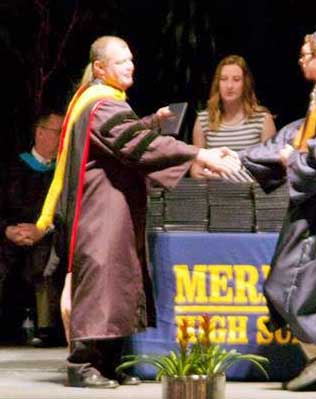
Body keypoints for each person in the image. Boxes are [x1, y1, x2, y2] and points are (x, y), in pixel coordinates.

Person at [31, 35, 240, 389]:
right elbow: (134, 144)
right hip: (101, 208)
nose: (130, 66)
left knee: (118, 280)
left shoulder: (102, 102)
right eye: (120, 61)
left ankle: (109, 363)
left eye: (131, 59)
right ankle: (82, 365)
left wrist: (149, 123)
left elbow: (124, 137)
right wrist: (197, 154)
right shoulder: (101, 104)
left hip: (114, 204)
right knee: (100, 281)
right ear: (99, 67)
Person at [239, 12, 316, 391]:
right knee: (306, 288)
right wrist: (245, 157)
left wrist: (293, 160)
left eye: (305, 54)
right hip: (314, 210)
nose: (300, 60)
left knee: (285, 285)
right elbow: (292, 138)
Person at [0, 112, 65, 347]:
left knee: (49, 253)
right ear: (40, 132)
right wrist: (7, 230)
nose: (62, 139)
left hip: (46, 236)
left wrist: (41, 231)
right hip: (8, 237)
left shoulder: (63, 173)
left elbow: (64, 211)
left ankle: (48, 328)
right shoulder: (11, 167)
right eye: (58, 132)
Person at [191, 54, 276, 179]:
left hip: (250, 194)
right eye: (224, 79)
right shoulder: (203, 120)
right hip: (215, 192)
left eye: (236, 79)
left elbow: (272, 168)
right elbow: (196, 169)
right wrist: (205, 174)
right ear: (217, 84)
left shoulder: (262, 119)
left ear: (245, 84)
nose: (229, 86)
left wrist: (234, 174)